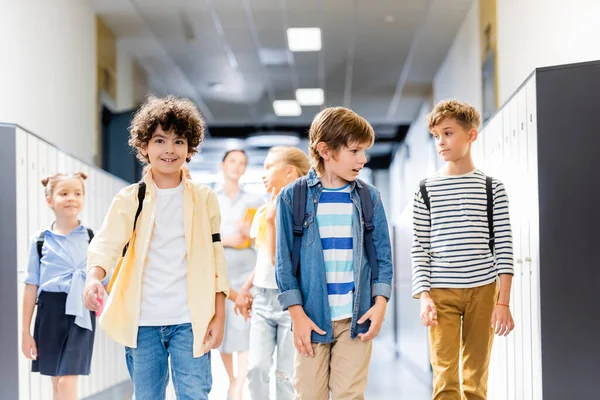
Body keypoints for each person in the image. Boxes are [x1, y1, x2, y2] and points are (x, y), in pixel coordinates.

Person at [83, 95, 229, 400]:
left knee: (195, 394)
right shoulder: (129, 198)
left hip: (191, 319)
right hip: (142, 321)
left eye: (178, 141)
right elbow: (107, 243)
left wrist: (219, 314)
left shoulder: (204, 199)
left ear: (190, 148)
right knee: (147, 396)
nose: (169, 150)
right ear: (144, 146)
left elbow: (217, 260)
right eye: (160, 140)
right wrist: (94, 277)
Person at [275, 107, 394, 399]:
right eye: (354, 150)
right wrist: (297, 315)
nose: (362, 159)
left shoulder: (369, 197)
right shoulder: (293, 197)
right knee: (309, 393)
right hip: (311, 318)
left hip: (357, 318)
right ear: (325, 150)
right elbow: (283, 264)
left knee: (349, 395)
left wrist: (380, 304)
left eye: (364, 151)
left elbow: (383, 257)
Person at [412, 99, 515, 400]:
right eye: (436, 136)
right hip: (441, 292)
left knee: (476, 375)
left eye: (448, 133)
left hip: (483, 290)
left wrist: (503, 303)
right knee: (444, 376)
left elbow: (505, 247)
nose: (441, 142)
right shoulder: (425, 189)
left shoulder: (492, 188)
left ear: (471, 135)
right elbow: (420, 247)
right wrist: (425, 296)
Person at [236, 146, 310, 399]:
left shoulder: (304, 211)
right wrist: (245, 290)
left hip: (291, 303)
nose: (262, 174)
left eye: (269, 167)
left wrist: (272, 221)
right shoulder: (263, 210)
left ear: (290, 172)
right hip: (262, 300)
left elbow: (285, 265)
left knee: (285, 375)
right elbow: (264, 260)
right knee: (256, 369)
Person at [21, 172, 96, 400]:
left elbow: (104, 283)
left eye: (77, 193)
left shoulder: (93, 238)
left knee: (66, 382)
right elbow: (31, 286)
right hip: (49, 312)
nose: (71, 198)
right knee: (56, 381)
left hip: (81, 312)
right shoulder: (40, 240)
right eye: (64, 193)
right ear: (50, 200)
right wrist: (25, 332)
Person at [214, 148, 262, 400]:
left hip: (245, 269)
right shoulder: (210, 197)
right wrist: (225, 240)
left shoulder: (254, 200)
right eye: (232, 161)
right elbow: (202, 236)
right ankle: (233, 379)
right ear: (222, 165)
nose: (236, 166)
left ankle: (239, 385)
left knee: (243, 323)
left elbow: (263, 237)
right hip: (220, 271)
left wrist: (250, 232)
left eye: (242, 162)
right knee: (225, 328)